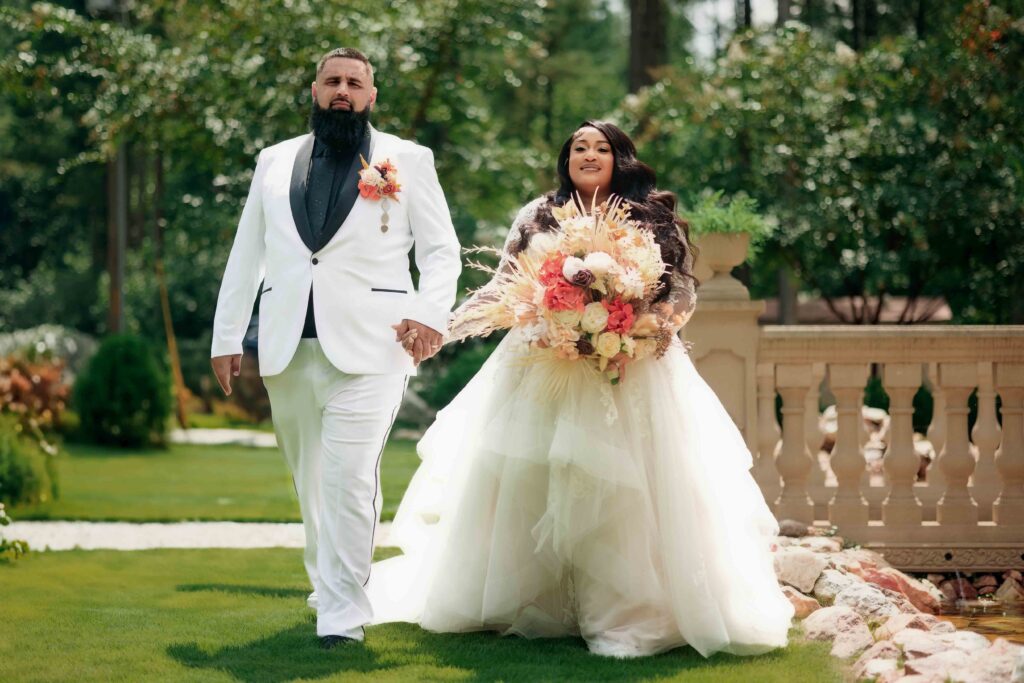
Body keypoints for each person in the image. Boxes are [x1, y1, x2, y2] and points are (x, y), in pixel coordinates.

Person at [369, 120, 794, 658]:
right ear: (565, 159)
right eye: (578, 148)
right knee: (529, 481)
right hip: (541, 366)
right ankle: (529, 601)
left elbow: (683, 292)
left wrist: (641, 327)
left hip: (631, 369)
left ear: (621, 157)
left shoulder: (654, 218)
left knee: (623, 490)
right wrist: (443, 327)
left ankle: (625, 609)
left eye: (600, 148)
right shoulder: (537, 215)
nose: (588, 155)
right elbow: (503, 286)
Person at [210, 47, 461, 649]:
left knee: (350, 480)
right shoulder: (273, 162)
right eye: (332, 81)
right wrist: (225, 336)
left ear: (372, 96)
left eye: (354, 82)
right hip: (287, 346)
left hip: (374, 347)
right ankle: (326, 588)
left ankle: (343, 617)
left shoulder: (409, 159)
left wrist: (428, 317)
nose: (342, 90)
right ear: (315, 91)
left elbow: (441, 253)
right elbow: (248, 253)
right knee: (310, 481)